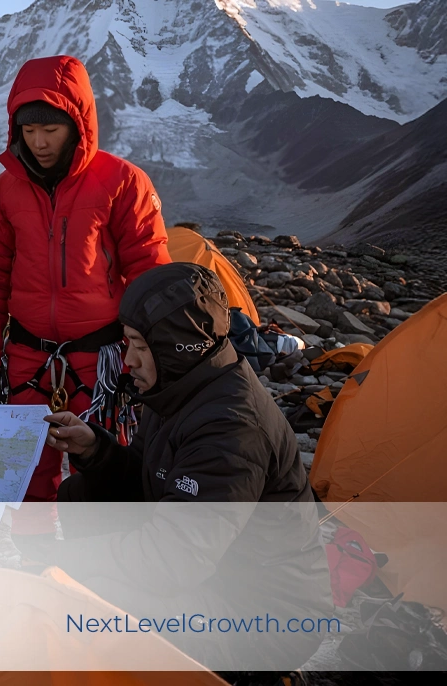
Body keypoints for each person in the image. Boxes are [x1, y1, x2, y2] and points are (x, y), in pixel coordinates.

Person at [35, 262, 332, 670]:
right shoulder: (179, 388)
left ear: (175, 346)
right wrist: (95, 450)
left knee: (92, 597)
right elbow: (144, 479)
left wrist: (67, 561)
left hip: (264, 616)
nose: (129, 363)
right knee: (80, 496)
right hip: (220, 572)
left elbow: (173, 560)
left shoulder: (231, 426)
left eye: (139, 347)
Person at [0, 55, 170, 502]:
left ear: (77, 123)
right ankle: (34, 563)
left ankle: (97, 568)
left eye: (51, 129)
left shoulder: (122, 183)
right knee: (25, 473)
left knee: (105, 473)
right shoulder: (5, 190)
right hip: (25, 357)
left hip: (102, 361)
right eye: (28, 130)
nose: (38, 142)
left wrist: (153, 357)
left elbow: (149, 276)